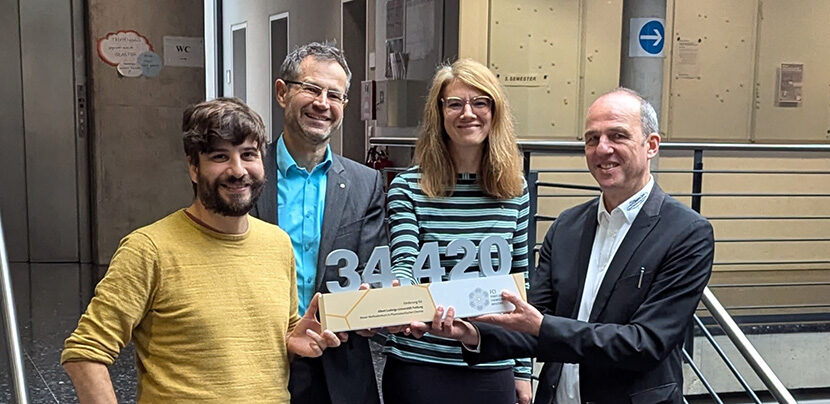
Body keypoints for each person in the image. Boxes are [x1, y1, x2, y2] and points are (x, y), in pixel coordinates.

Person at [418, 88, 715, 404]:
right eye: (592, 139)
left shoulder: (687, 233)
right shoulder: (566, 227)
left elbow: (645, 343)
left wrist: (544, 327)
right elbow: (533, 317)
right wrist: (475, 334)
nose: (602, 149)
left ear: (651, 145)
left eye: (617, 136)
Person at [61, 98, 342, 403]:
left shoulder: (277, 243)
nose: (238, 171)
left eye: (248, 154)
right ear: (194, 168)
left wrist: (292, 339)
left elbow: (277, 328)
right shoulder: (149, 249)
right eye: (220, 156)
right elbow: (85, 354)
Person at [381, 58, 533, 404]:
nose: (468, 113)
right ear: (440, 113)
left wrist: (522, 369)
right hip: (419, 363)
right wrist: (398, 295)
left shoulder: (515, 190)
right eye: (455, 104)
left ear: (495, 112)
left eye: (480, 102)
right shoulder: (408, 187)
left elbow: (520, 282)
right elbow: (404, 260)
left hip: (492, 359)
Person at [252, 42, 385, 404]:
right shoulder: (246, 174)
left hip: (340, 363)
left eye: (335, 95)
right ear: (282, 92)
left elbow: (373, 269)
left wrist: (375, 303)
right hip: (259, 360)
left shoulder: (366, 183)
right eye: (311, 89)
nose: (322, 103)